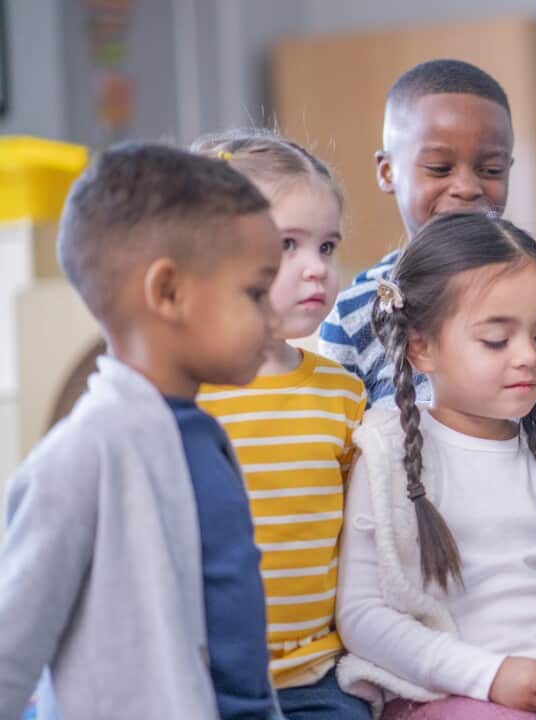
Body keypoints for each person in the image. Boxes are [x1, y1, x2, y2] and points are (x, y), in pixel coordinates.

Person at [332, 212, 536, 720]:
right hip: (442, 696)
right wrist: (489, 677)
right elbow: (361, 617)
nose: (527, 357)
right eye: (496, 340)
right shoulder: (389, 452)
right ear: (421, 346)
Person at [0, 143, 280, 719]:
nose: (272, 319)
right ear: (169, 292)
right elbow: (10, 647)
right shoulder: (82, 453)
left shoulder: (201, 434)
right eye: (255, 293)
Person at [194, 129, 371, 719]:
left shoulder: (344, 393)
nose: (314, 269)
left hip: (315, 677)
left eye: (326, 247)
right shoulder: (188, 392)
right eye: (288, 244)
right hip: (202, 677)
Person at [319, 59, 514, 406]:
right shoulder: (356, 314)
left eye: (491, 169)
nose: (467, 187)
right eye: (440, 169)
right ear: (388, 171)